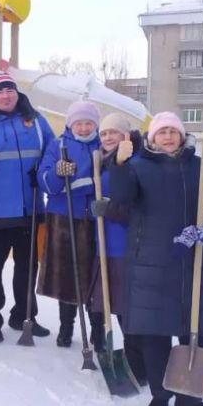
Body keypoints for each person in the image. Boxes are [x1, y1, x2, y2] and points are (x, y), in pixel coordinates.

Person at [110, 112, 203, 406]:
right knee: (155, 336)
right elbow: (121, 200)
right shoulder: (137, 167)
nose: (167, 137)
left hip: (194, 262)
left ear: (180, 136)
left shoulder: (199, 169)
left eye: (172, 131)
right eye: (161, 132)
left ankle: (191, 398)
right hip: (150, 263)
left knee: (200, 333)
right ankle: (160, 395)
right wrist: (119, 166)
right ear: (152, 138)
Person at [0, 72, 55, 343]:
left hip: (30, 207)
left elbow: (52, 150)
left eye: (10, 90)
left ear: (17, 93)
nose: (6, 95)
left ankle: (25, 315)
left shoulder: (37, 121)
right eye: (0, 91)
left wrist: (42, 171)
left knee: (28, 267)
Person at [37, 101, 105, 350]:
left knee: (95, 278)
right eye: (79, 123)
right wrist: (56, 173)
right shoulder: (59, 146)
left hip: (96, 219)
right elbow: (45, 182)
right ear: (70, 124)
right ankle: (66, 327)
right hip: (64, 218)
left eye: (89, 123)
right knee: (67, 276)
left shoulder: (104, 145)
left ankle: (97, 330)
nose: (84, 128)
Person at [86, 113, 146, 383]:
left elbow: (138, 207)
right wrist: (95, 210)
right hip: (104, 244)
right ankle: (105, 346)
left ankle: (138, 362)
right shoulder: (103, 163)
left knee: (126, 309)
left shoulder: (136, 163)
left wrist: (108, 209)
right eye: (103, 133)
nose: (108, 137)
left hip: (125, 247)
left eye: (114, 133)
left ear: (126, 136)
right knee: (104, 301)